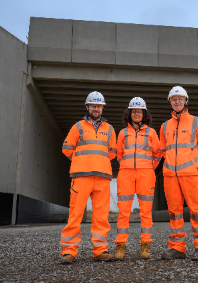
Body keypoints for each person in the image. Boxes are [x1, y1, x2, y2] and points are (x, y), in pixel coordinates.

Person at [60, 91, 117, 264]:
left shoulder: (110, 129)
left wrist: (96, 161)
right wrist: (82, 161)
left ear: (103, 108)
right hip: (81, 176)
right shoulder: (78, 126)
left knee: (101, 216)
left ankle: (100, 250)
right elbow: (67, 148)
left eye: (99, 106)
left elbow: (113, 152)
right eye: (93, 105)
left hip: (102, 177)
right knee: (75, 214)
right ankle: (69, 252)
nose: (96, 109)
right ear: (87, 107)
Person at [159, 86, 198, 261]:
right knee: (175, 213)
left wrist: (196, 165)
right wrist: (171, 166)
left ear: (186, 101)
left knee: (197, 212)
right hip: (170, 176)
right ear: (170, 102)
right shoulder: (165, 126)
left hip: (191, 174)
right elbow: (163, 150)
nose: (177, 101)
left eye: (180, 98)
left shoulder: (197, 122)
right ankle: (177, 248)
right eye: (173, 99)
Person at [114, 97, 161, 260]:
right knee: (123, 212)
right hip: (125, 173)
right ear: (129, 113)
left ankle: (145, 246)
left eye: (139, 111)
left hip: (146, 174)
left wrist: (147, 167)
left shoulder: (151, 132)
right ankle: (120, 246)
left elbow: (157, 154)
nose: (136, 114)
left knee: (146, 212)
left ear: (144, 114)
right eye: (134, 111)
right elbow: (119, 155)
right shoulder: (122, 133)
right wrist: (128, 165)